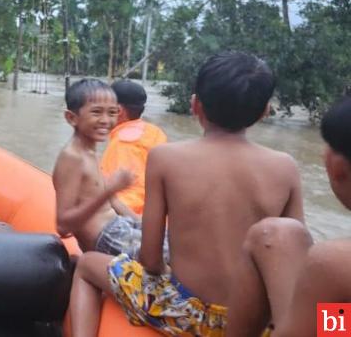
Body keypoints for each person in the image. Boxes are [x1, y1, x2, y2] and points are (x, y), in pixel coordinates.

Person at [68, 53, 304, 337]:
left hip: (187, 313)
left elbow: (151, 258)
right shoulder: (286, 167)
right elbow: (295, 255)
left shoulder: (166, 158)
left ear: (195, 104)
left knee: (85, 265)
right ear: (265, 111)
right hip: (252, 324)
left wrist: (166, 270)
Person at [225, 95, 351, 337]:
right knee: (277, 234)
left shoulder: (336, 264)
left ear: (337, 167)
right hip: (341, 325)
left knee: (273, 235)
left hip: (336, 321)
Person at [53, 79, 166, 260]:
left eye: (112, 112)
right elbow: (63, 224)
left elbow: (114, 202)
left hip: (119, 225)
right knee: (179, 256)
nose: (106, 120)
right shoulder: (72, 158)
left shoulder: (92, 154)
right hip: (106, 238)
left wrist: (144, 225)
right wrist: (111, 189)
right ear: (71, 118)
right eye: (97, 112)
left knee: (180, 239)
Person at [100, 80, 167, 214]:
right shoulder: (154, 131)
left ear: (118, 111)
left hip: (136, 222)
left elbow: (130, 199)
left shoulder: (123, 143)